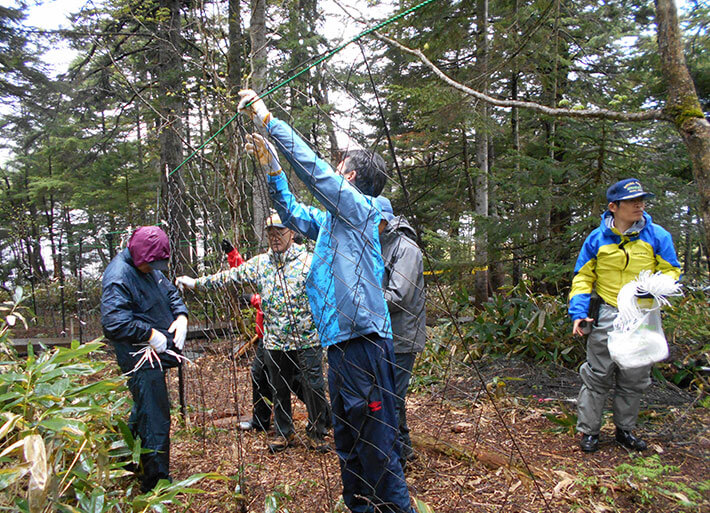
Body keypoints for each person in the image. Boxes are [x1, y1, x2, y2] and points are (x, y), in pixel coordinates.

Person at [238, 89, 412, 513]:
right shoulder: (335, 220)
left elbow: (315, 173)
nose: (336, 170)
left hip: (365, 344)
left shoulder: (359, 209)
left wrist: (268, 121)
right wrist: (272, 168)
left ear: (349, 178)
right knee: (349, 443)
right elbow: (293, 212)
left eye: (341, 168)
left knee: (378, 448)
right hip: (340, 345)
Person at [176, 214, 331, 453]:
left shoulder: (309, 262)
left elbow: (328, 291)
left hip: (307, 339)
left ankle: (318, 432)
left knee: (314, 386)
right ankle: (283, 433)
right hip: (275, 341)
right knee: (279, 389)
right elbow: (229, 277)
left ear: (292, 232)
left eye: (279, 231)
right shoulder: (262, 263)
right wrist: (196, 283)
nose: (274, 237)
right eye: (269, 232)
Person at [569, 178, 680, 453]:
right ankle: (589, 432)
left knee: (635, 375)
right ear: (613, 206)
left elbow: (672, 271)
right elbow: (583, 278)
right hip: (606, 313)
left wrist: (652, 287)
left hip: (642, 315)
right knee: (597, 373)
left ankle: (624, 431)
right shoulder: (596, 239)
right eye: (632, 201)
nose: (639, 205)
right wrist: (578, 313)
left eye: (642, 200)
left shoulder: (657, 236)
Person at [100, 225, 189, 492]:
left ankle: (129, 457)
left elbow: (170, 293)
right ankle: (156, 482)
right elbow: (114, 322)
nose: (155, 269)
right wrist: (149, 333)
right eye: (152, 265)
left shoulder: (150, 268)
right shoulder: (119, 276)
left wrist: (181, 317)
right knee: (155, 414)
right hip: (138, 355)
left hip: (156, 353)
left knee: (145, 407)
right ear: (139, 256)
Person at [375, 196, 426, 470]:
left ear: (384, 219)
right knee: (391, 395)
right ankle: (403, 450)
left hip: (402, 337)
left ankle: (394, 460)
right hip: (386, 334)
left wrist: (362, 297)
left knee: (390, 397)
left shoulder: (406, 249)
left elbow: (398, 296)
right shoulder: (382, 243)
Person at [220, 238, 272, 433]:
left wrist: (254, 299)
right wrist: (232, 254)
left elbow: (278, 296)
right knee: (260, 375)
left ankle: (323, 418)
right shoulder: (267, 263)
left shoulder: (294, 263)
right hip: (265, 337)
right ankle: (261, 421)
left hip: (284, 337)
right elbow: (246, 272)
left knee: (296, 382)